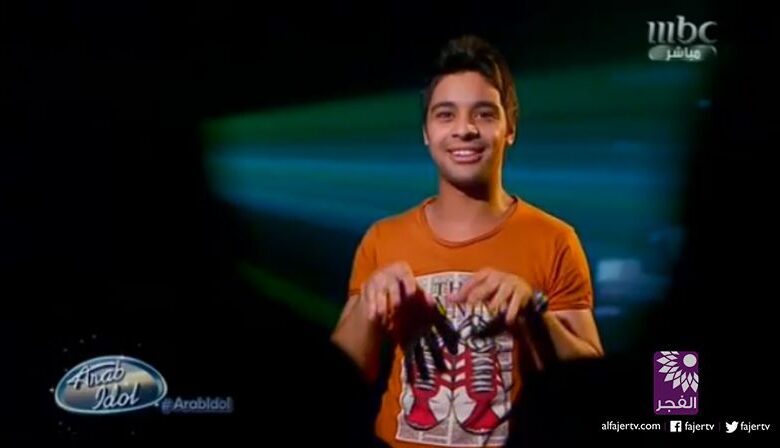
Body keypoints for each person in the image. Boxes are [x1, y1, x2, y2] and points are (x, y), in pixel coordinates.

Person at [331, 35, 604, 447]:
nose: (465, 129)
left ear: (510, 128)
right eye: (446, 115)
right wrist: (370, 301)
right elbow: (337, 382)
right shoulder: (382, 238)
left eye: (484, 114)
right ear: (426, 132)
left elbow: (592, 387)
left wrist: (533, 313)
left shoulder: (555, 239)